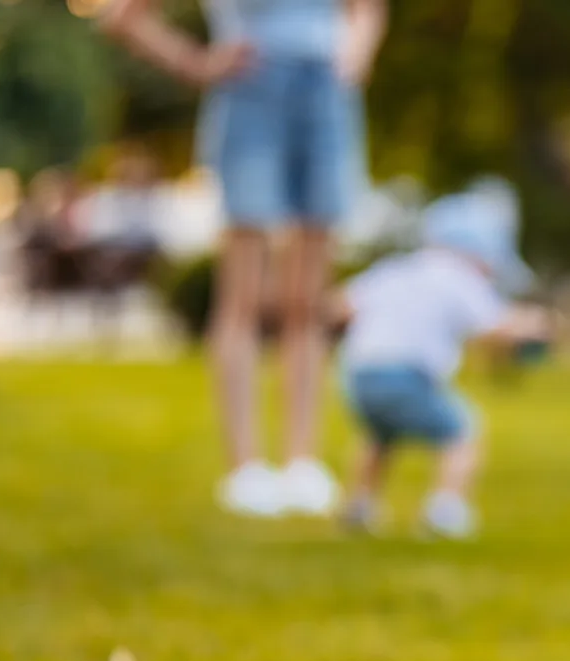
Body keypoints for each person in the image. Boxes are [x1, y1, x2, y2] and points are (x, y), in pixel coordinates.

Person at [100, 0, 388, 518]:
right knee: (244, 299)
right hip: (252, 91)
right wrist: (195, 64)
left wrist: (354, 59)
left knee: (306, 300)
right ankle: (246, 468)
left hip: (327, 95)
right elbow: (123, 16)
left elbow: (366, 9)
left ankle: (302, 464)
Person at [333, 191, 540, 539]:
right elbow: (495, 326)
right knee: (462, 431)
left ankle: (359, 506)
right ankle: (446, 511)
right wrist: (532, 326)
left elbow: (340, 305)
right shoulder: (459, 276)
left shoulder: (396, 269)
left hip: (358, 374)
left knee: (379, 435)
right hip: (407, 375)